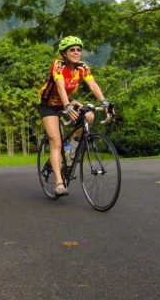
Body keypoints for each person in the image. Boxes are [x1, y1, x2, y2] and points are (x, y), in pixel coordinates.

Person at [39, 36, 110, 196]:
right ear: (64, 53)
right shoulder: (58, 65)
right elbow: (60, 86)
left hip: (67, 101)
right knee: (56, 142)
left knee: (89, 115)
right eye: (72, 50)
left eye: (79, 49)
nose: (76, 52)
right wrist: (67, 105)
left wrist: (104, 102)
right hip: (49, 104)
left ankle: (70, 151)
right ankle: (59, 183)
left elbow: (92, 84)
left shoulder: (82, 67)